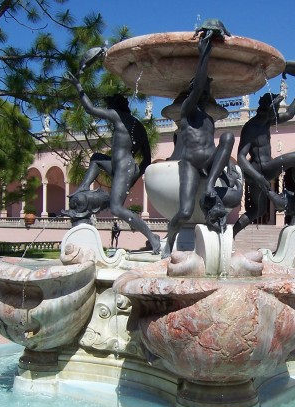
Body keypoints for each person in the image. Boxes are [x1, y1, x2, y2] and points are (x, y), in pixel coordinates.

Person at [65, 71, 161, 254]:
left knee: (116, 208)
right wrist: (135, 176)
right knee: (96, 158)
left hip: (123, 168)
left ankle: (152, 237)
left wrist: (78, 86)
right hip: (123, 167)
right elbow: (147, 160)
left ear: (115, 107)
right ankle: (83, 187)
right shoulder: (139, 126)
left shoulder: (118, 116)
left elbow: (90, 109)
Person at [163, 31, 235, 256]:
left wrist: (228, 166)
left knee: (228, 136)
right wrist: (205, 54)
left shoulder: (209, 118)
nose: (205, 94)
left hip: (210, 161)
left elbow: (222, 148)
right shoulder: (187, 110)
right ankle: (170, 239)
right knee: (185, 212)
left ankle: (210, 183)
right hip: (191, 163)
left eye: (207, 92)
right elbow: (197, 88)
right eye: (202, 90)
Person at [232, 76, 295, 237]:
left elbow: (289, 114)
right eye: (275, 109)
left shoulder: (267, 120)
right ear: (268, 109)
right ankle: (231, 234)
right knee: (258, 210)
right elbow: (241, 157)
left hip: (266, 169)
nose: (277, 113)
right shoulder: (251, 127)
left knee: (257, 210)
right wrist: (258, 177)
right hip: (259, 171)